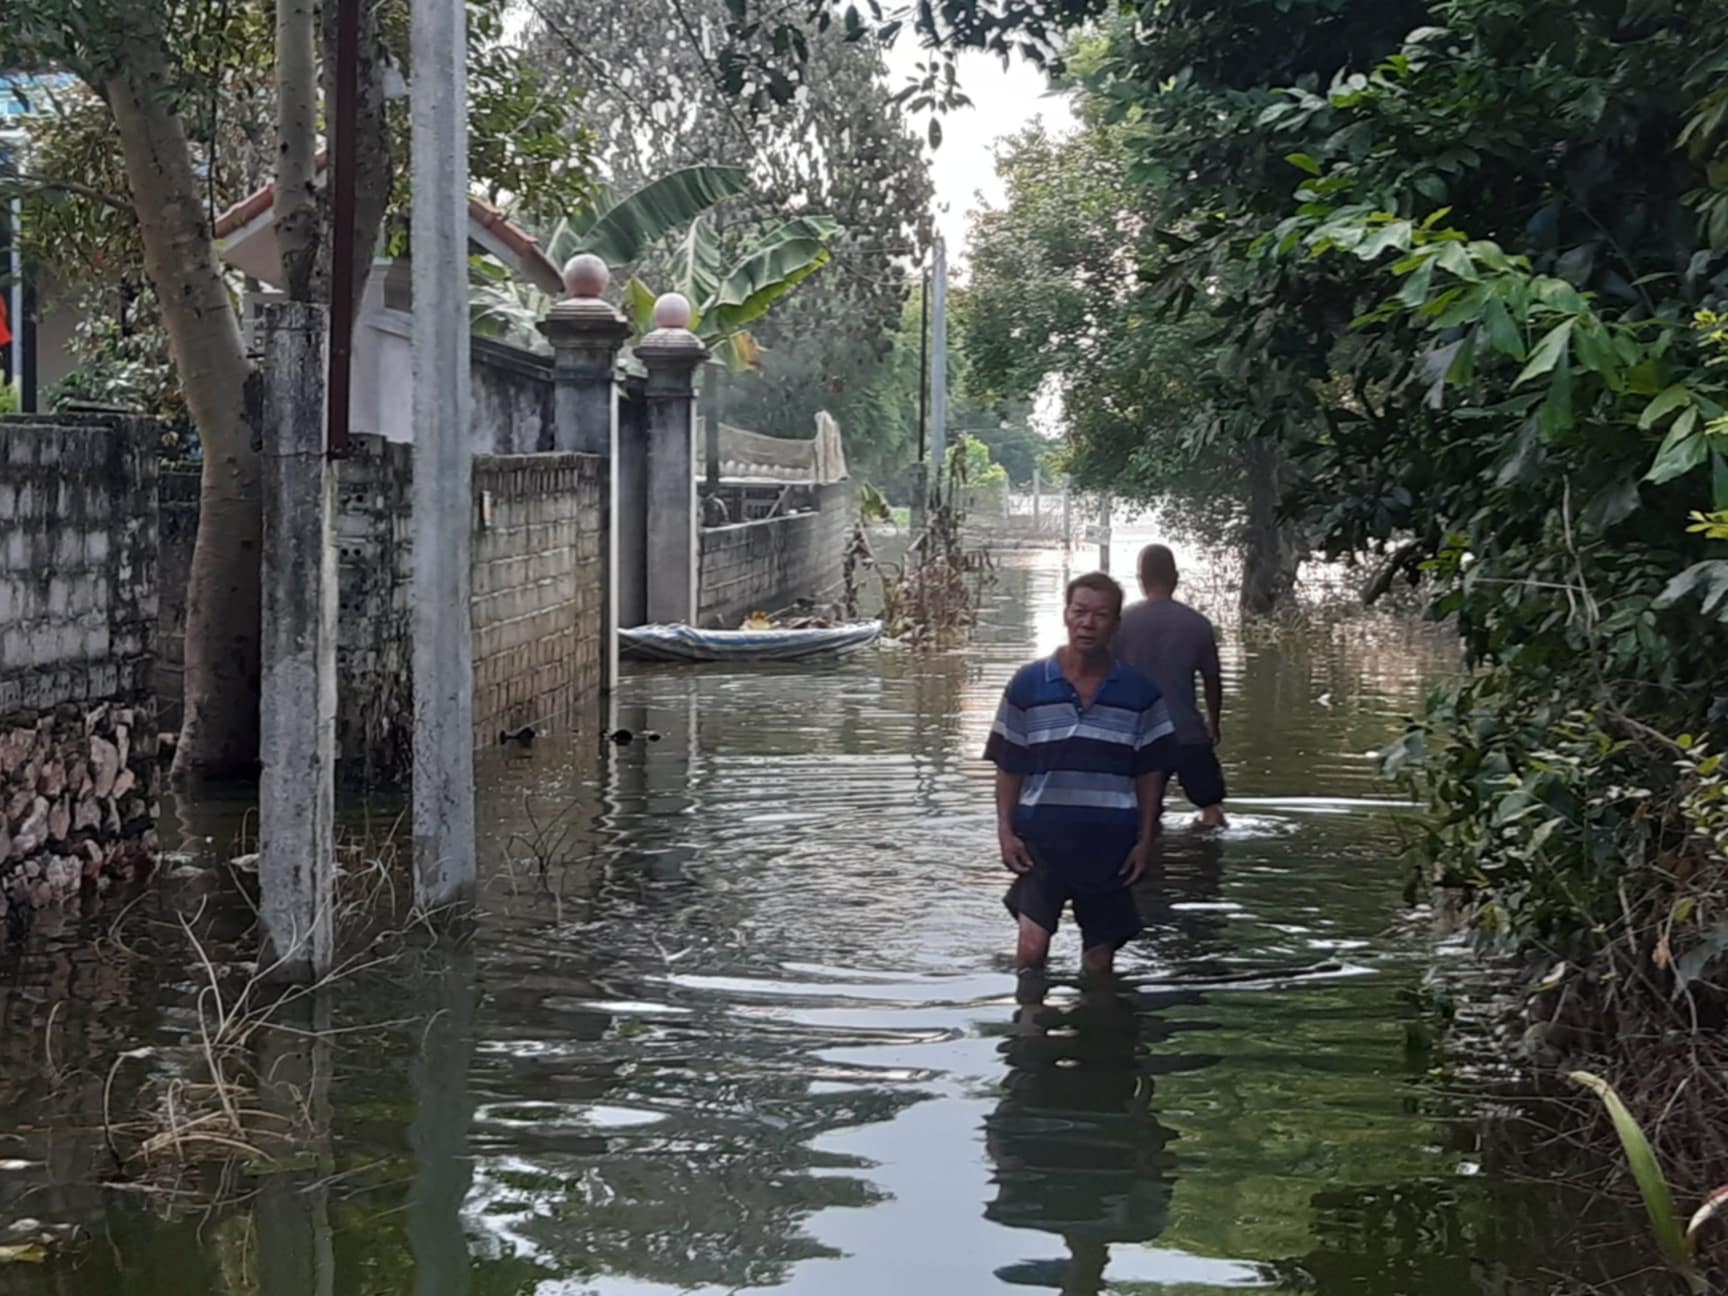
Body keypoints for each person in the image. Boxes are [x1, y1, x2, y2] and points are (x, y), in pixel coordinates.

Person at [985, 571, 1177, 979]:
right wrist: (1005, 831)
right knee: (1031, 952)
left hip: (1110, 845)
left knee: (1099, 963)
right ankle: (1029, 1032)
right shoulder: (1028, 684)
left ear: (1116, 624)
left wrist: (1145, 840)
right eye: (1080, 612)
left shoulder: (1141, 694)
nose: (1088, 623)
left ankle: (1100, 1033)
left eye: (1101, 615)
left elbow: (1150, 775)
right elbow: (1009, 765)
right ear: (1066, 616)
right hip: (1041, 841)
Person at [1115, 544, 1227, 828]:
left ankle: (1150, 861)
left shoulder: (1121, 623)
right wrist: (1214, 723)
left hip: (1138, 735)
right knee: (1211, 809)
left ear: (1141, 578)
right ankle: (1205, 862)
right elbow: (1212, 680)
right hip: (1187, 732)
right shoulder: (1198, 624)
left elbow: (1106, 678)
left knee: (1143, 812)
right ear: (1175, 577)